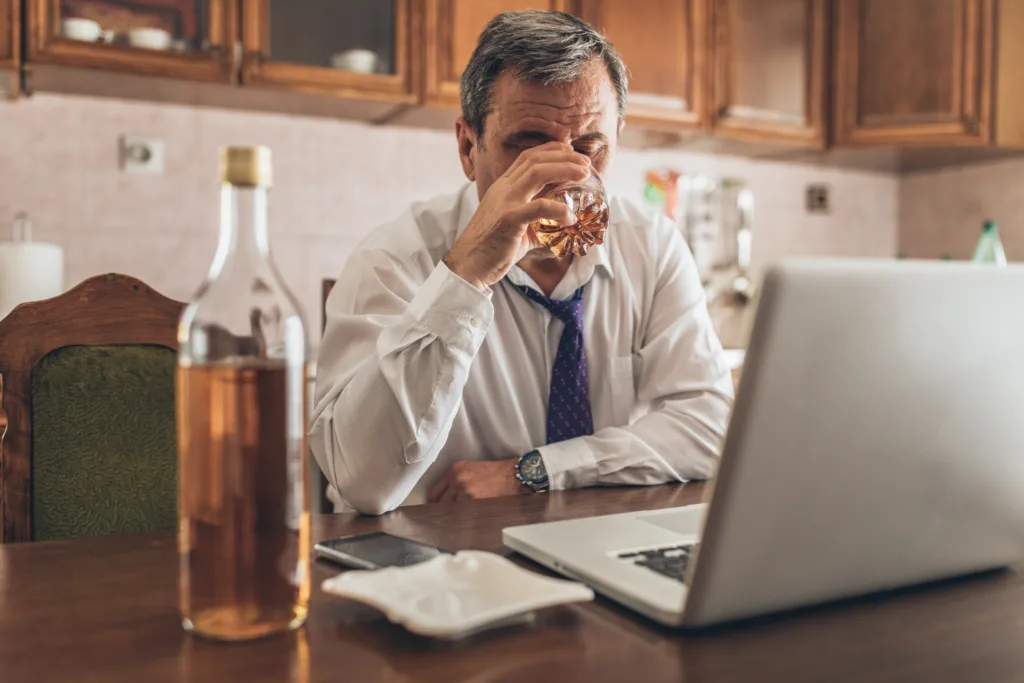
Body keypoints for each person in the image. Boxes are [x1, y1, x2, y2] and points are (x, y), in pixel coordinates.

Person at [311, 10, 734, 514]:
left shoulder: (652, 246)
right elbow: (361, 483)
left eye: (589, 148)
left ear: (616, 139)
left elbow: (709, 428)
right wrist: (465, 276)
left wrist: (538, 471)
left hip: (596, 546)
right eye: (528, 147)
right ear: (469, 148)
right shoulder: (393, 261)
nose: (562, 175)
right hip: (440, 565)